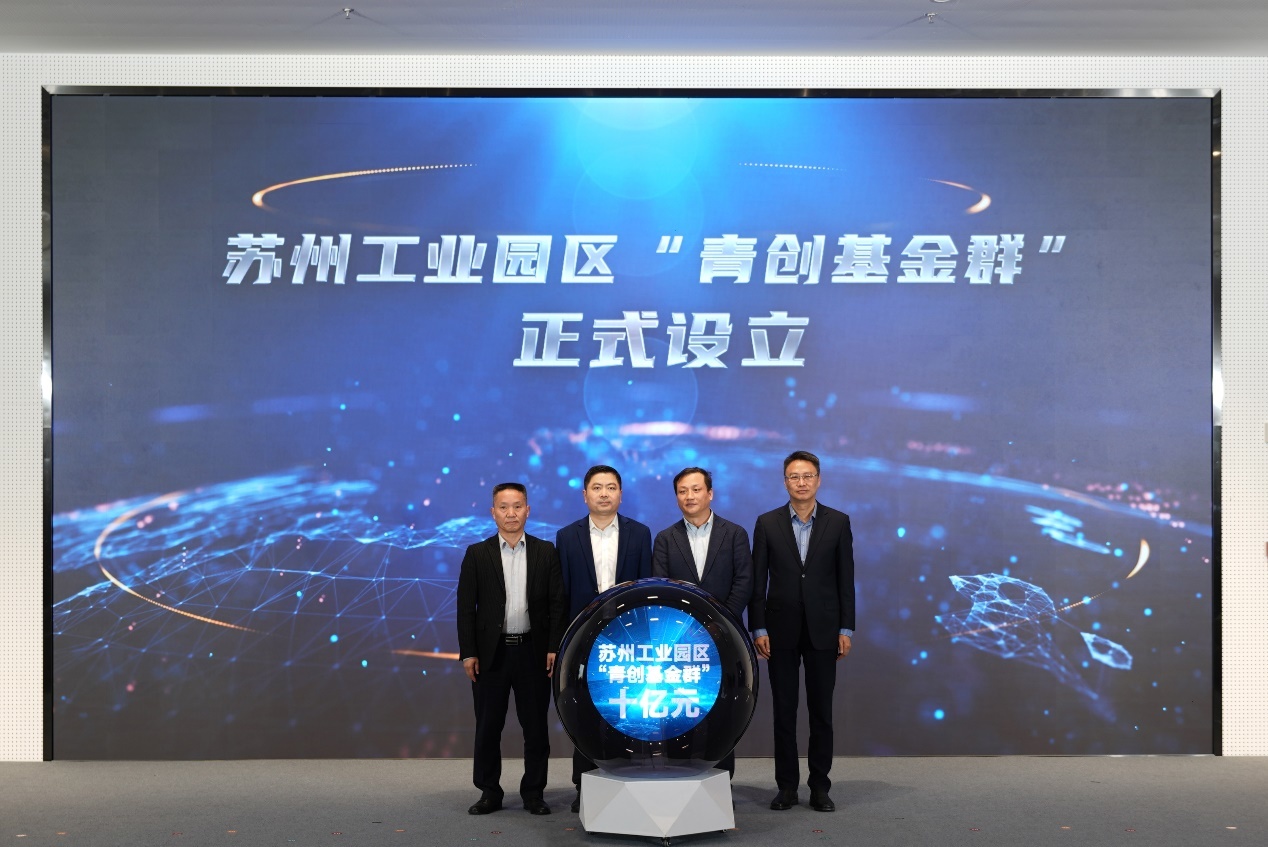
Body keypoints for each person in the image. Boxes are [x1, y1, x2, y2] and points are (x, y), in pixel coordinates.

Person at [748, 451, 855, 813]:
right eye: (794, 477)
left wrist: (846, 627)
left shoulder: (838, 522)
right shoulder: (767, 523)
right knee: (784, 712)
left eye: (808, 476)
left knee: (821, 712)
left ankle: (820, 787)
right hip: (779, 631)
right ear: (785, 482)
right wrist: (758, 626)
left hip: (825, 630)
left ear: (818, 480)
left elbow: (846, 580)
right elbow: (757, 582)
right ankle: (787, 787)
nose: (801, 482)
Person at [456, 482, 567, 816]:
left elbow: (557, 604)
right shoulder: (478, 553)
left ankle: (534, 793)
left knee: (535, 728)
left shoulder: (546, 551)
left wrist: (554, 646)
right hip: (491, 655)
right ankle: (489, 792)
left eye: (517, 506)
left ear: (527, 510)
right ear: (493, 513)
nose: (511, 513)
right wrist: (468, 652)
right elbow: (465, 608)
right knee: (488, 727)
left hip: (533, 652)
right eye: (503, 507)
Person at [555, 464, 653, 812]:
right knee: (584, 711)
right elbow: (562, 595)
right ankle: (584, 786)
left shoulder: (639, 534)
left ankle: (628, 780)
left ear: (620, 494)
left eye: (611, 487)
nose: (604, 493)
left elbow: (646, 590)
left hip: (628, 640)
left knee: (627, 710)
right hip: (582, 637)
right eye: (597, 487)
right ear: (585, 495)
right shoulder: (567, 536)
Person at [652, 466, 753, 777]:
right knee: (678, 709)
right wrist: (687, 629)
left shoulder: (734, 534)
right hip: (679, 641)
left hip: (724, 637)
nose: (689, 496)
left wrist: (719, 623)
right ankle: (677, 774)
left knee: (721, 710)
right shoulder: (665, 538)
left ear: (710, 493)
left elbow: (743, 582)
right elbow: (662, 588)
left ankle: (721, 781)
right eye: (682, 491)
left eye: (696, 489)